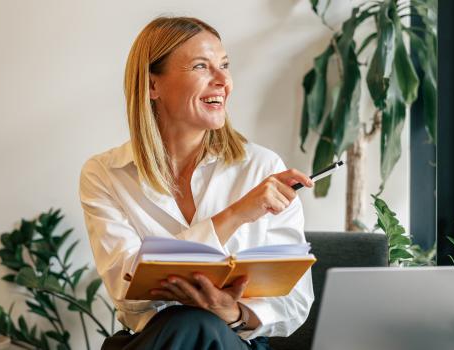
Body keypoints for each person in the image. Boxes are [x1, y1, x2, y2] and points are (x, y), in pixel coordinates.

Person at [79, 16, 314, 350]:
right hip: (151, 339)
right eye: (202, 66)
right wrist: (236, 214)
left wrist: (230, 311)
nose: (223, 80)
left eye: (224, 65)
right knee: (185, 323)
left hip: (233, 341)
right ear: (151, 86)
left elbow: (295, 302)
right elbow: (125, 289)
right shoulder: (105, 174)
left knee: (196, 322)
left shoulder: (264, 167)